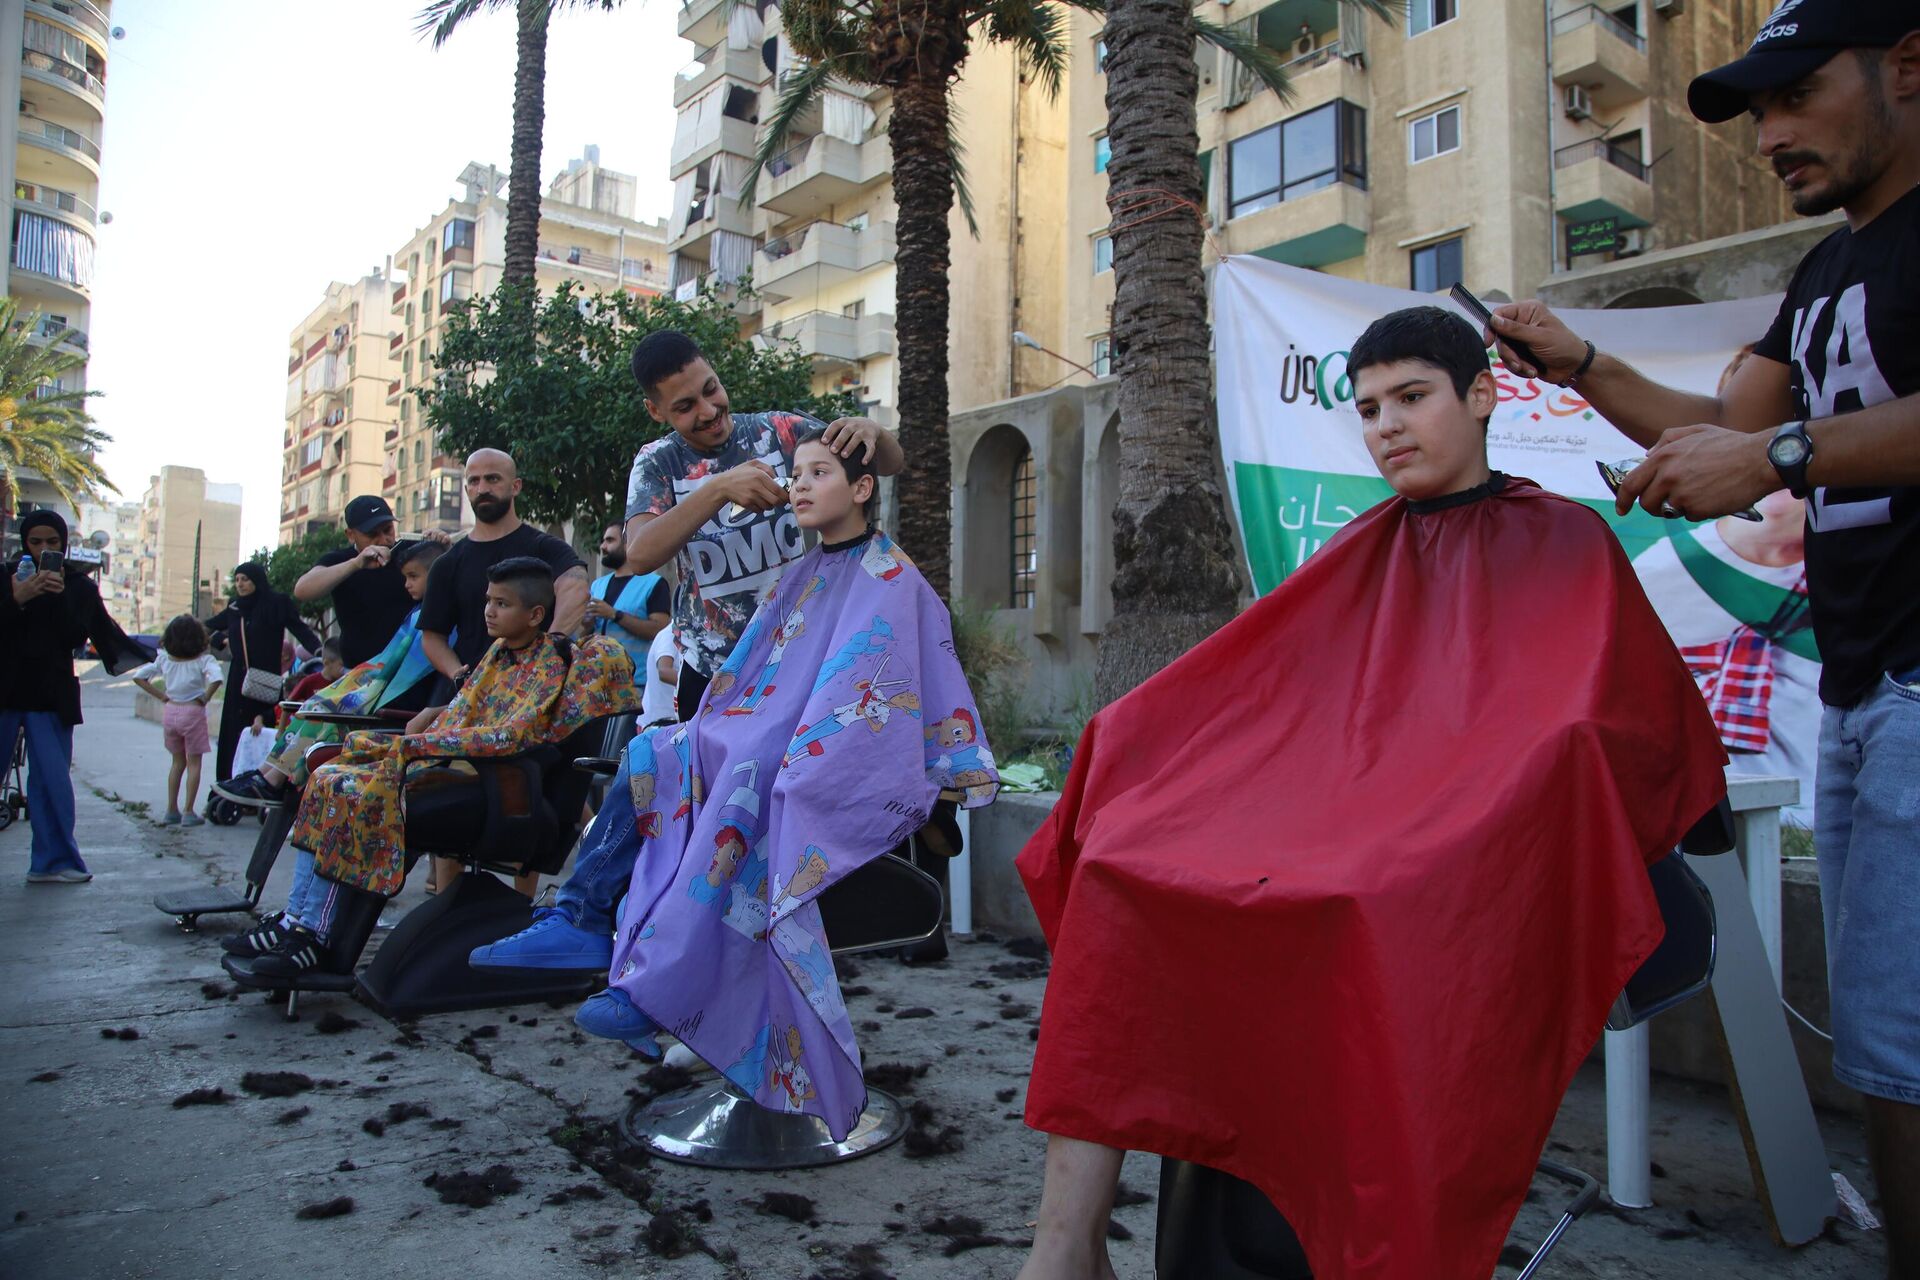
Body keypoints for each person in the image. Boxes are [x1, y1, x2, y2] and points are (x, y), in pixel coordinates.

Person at [1012, 309, 1727, 1280]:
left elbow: (1607, 726)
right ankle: (1068, 1245)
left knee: (1368, 904)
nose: (1387, 423)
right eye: (1368, 407)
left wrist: (1470, 793)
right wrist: (1129, 738)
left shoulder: (1566, 542)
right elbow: (1262, 691)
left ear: (1482, 394)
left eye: (1412, 397)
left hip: (1469, 850)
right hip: (1343, 823)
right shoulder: (1361, 550)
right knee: (1122, 873)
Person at [1486, 9, 1920, 1265]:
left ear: (1904, 64)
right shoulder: (1829, 274)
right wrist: (1578, 365)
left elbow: (1767, 445)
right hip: (1861, 686)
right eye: (1755, 113)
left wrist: (1776, 455)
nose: (1773, 134)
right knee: (1890, 1047)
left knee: (1900, 1045)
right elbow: (1712, 422)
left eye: (1795, 96)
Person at [471, 430, 996, 1139]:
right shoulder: (802, 573)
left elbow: (871, 696)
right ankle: (591, 921)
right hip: (768, 738)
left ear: (862, 488)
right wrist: (730, 727)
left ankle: (653, 986)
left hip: (835, 762)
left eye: (819, 473)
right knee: (660, 748)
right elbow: (750, 677)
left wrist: (777, 743)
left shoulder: (890, 578)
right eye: (797, 475)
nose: (801, 486)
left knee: (744, 773)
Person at [246, 558, 638, 979]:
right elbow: (465, 712)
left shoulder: (547, 663)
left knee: (351, 792)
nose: (489, 611)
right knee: (327, 777)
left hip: (493, 785)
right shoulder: (499, 654)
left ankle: (317, 936)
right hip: (454, 765)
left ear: (536, 615)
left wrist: (421, 744)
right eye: (489, 601)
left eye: (502, 603)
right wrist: (425, 731)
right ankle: (298, 919)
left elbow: (512, 734)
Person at [620, 330, 905, 717]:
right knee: (713, 779)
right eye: (685, 406)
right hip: (710, 672)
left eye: (711, 389)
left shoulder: (779, 432)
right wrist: (718, 488)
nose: (707, 410)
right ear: (656, 411)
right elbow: (639, 555)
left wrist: (873, 432)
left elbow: (888, 463)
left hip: (796, 658)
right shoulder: (657, 463)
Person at [215, 541, 449, 811]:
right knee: (316, 704)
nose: (406, 584)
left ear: (438, 575)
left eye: (413, 576)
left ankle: (276, 779)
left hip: (392, 703)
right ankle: (267, 774)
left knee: (325, 710)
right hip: (379, 688)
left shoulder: (438, 616)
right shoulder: (419, 612)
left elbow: (404, 672)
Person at [1, 511, 149, 884]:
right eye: (36, 542)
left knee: (51, 778)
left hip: (51, 691)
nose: (45, 549)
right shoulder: (6, 577)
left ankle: (53, 861)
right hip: (4, 687)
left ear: (64, 543)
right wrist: (16, 598)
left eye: (53, 542)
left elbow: (87, 636)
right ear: (25, 542)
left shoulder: (79, 586)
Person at [294, 495, 446, 668]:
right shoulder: (340, 560)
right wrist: (356, 564)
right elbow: (302, 589)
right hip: (360, 672)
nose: (383, 540)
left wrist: (442, 546)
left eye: (387, 530)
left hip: (412, 668)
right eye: (372, 534)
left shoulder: (409, 551)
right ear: (351, 535)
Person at [202, 563, 321, 782]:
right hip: (240, 681)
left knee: (265, 732)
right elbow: (209, 628)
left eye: (245, 579)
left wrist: (319, 650)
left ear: (257, 580)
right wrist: (222, 640)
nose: (240, 584)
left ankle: (262, 784)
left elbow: (299, 628)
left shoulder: (276, 604)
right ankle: (230, 783)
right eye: (237, 579)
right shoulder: (235, 607)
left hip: (266, 681)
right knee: (234, 734)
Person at [128, 615, 225, 827]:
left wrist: (162, 696)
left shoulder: (164, 659)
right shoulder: (203, 661)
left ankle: (172, 810)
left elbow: (139, 677)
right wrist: (206, 697)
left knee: (177, 763)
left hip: (170, 713)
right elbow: (217, 678)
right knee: (194, 763)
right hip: (193, 712)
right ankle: (189, 811)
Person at [584, 520, 670, 684]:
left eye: (610, 540)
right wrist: (586, 624)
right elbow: (587, 631)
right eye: (603, 541)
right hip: (598, 681)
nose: (603, 547)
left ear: (627, 544)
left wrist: (615, 615)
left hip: (635, 682)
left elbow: (660, 630)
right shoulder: (598, 585)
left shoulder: (653, 584)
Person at [642, 621, 679, 726]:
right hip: (660, 723)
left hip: (674, 720)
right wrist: (705, 688)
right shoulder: (670, 634)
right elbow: (664, 671)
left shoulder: (692, 636)